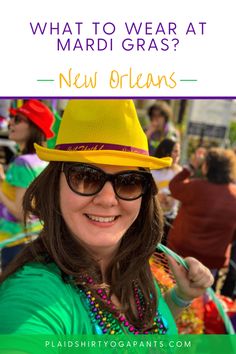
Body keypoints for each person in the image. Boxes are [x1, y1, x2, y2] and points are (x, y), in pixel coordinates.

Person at [0, 100, 213, 336]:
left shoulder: (133, 267)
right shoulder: (34, 295)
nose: (107, 199)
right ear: (54, 187)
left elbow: (142, 334)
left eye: (129, 181)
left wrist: (181, 297)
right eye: (85, 177)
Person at [0, 99, 54, 269]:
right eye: (11, 118)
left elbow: (20, 212)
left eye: (18, 119)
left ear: (33, 126)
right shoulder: (42, 161)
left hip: (13, 243)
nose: (10, 123)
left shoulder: (22, 162)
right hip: (32, 241)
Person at [167, 148, 236, 280]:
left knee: (171, 290)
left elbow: (174, 186)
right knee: (201, 297)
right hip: (213, 260)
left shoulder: (195, 187)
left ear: (207, 167)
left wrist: (191, 167)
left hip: (181, 253)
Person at [152, 139, 182, 245]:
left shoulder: (179, 172)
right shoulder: (151, 169)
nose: (178, 154)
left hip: (170, 220)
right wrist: (156, 197)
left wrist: (171, 197)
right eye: (175, 151)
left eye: (178, 151)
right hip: (151, 218)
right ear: (165, 151)